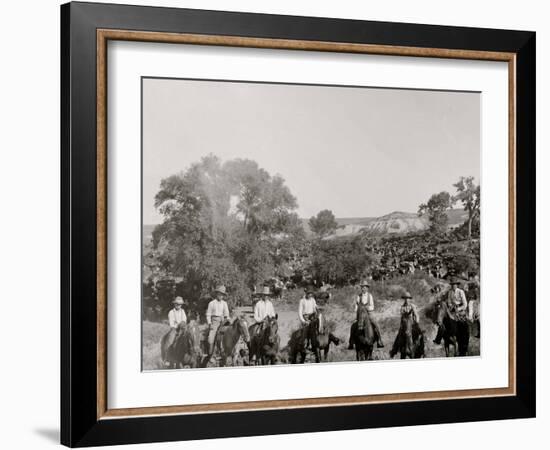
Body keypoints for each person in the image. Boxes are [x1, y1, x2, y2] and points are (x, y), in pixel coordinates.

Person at [348, 280, 384, 349]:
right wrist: (356, 310)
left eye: (364, 287)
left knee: (375, 324)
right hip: (360, 314)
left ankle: (379, 340)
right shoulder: (359, 296)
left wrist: (368, 308)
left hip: (369, 313)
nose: (363, 288)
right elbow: (356, 305)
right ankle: (351, 342)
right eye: (362, 287)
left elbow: (372, 306)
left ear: (367, 288)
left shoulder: (370, 296)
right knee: (353, 325)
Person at [433, 277, 468, 344]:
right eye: (452, 285)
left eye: (454, 284)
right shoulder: (450, 292)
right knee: (444, 320)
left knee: (462, 323)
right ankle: (438, 338)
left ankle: (462, 338)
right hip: (452, 308)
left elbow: (465, 304)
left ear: (457, 285)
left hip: (460, 309)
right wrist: (450, 306)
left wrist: (458, 308)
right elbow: (449, 301)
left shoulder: (461, 292)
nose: (453, 286)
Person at [390, 292, 420, 358]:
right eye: (405, 298)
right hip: (404, 323)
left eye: (408, 298)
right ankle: (394, 349)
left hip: (412, 323)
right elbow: (401, 315)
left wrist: (416, 322)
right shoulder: (402, 307)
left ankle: (422, 347)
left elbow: (416, 315)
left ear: (410, 299)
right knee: (399, 334)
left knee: (419, 332)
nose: (407, 300)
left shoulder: (412, 306)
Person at [205, 285, 230, 358]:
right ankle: (210, 353)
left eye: (222, 295)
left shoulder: (224, 303)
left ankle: (225, 351)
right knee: (211, 337)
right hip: (214, 321)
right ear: (216, 294)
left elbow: (226, 314)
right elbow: (208, 315)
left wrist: (227, 319)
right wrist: (209, 323)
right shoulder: (211, 303)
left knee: (228, 334)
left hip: (223, 321)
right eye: (219, 294)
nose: (221, 296)